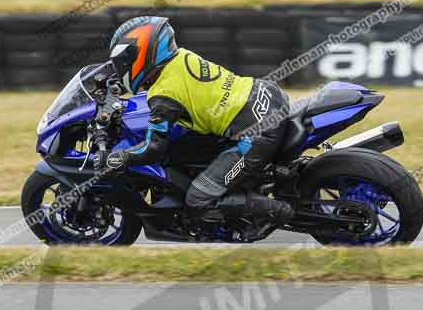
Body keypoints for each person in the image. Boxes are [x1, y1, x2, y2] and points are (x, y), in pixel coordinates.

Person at [101, 16, 294, 222]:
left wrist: (119, 157)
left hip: (257, 132)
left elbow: (152, 149)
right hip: (266, 95)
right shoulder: (180, 58)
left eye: (124, 63)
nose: (122, 69)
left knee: (199, 199)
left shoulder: (164, 95)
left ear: (142, 55)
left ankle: (287, 213)